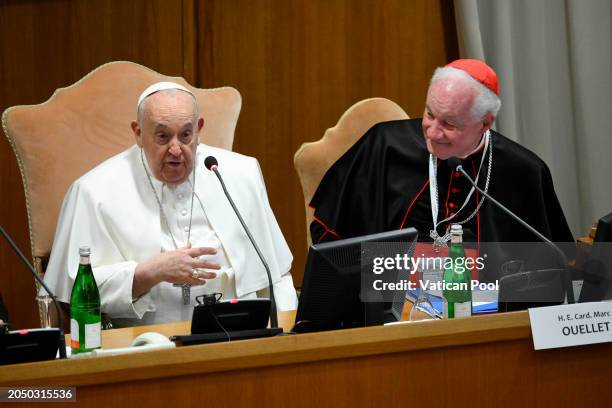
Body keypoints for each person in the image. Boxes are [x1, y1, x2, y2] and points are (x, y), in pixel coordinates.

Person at [43, 82, 298, 326]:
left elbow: (277, 276)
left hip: (238, 333)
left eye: (186, 135)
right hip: (143, 343)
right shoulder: (93, 192)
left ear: (199, 129)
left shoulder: (239, 174)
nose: (176, 149)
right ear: (139, 134)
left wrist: (290, 335)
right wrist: (149, 272)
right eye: (163, 137)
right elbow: (73, 294)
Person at [310, 59, 574, 277]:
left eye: (449, 124)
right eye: (429, 114)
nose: (433, 133)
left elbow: (551, 266)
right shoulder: (385, 146)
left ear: (485, 123)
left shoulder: (524, 171)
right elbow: (329, 237)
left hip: (485, 318)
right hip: (392, 311)